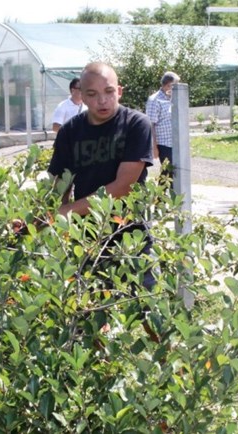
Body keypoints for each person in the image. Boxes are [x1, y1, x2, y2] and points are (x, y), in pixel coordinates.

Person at [47, 61, 156, 291]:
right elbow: (59, 190)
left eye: (108, 92)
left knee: (149, 308)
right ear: (81, 97)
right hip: (86, 236)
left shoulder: (136, 124)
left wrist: (67, 211)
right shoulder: (69, 132)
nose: (102, 100)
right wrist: (36, 222)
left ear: (119, 91)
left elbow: (124, 187)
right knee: (90, 310)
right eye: (92, 94)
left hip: (130, 233)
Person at [145, 71, 180, 182]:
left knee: (172, 172)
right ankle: (160, 198)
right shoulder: (154, 100)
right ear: (168, 85)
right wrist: (154, 147)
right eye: (175, 85)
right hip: (163, 143)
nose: (177, 88)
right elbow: (150, 124)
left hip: (174, 141)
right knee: (168, 171)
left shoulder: (172, 98)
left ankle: (162, 197)